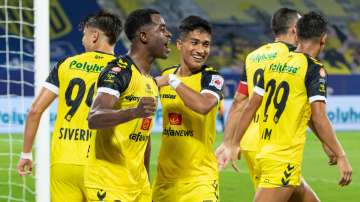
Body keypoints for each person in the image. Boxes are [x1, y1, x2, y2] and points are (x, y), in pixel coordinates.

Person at [217, 11, 352, 202]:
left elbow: (249, 105)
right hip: (283, 158)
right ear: (324, 39)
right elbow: (319, 117)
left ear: (296, 34)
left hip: (262, 151)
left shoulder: (271, 65)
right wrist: (341, 155)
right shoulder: (314, 69)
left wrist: (234, 142)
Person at [16, 11, 122, 201]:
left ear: (94, 36)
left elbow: (35, 111)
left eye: (84, 34)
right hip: (102, 165)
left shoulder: (66, 64)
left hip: (62, 164)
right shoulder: (124, 70)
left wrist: (26, 153)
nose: (82, 40)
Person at [84, 8, 171, 202]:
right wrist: (134, 112)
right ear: (144, 36)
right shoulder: (118, 71)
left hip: (138, 185)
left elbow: (144, 137)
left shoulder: (149, 80)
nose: (169, 34)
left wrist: (146, 180)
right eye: (162, 29)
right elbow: (94, 117)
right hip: (108, 184)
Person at [153, 15, 224, 202]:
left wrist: (172, 81)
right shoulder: (165, 74)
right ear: (179, 44)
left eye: (206, 44)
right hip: (164, 182)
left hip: (199, 181)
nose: (201, 50)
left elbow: (203, 105)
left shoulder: (211, 78)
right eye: (195, 43)